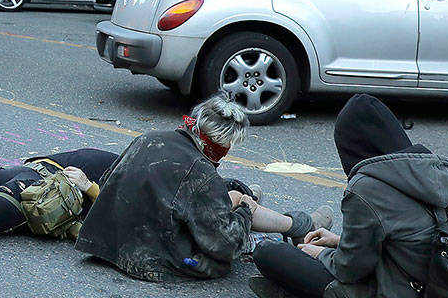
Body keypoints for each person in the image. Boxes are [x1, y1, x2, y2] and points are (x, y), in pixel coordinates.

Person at [249, 93, 448, 298]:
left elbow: (350, 270)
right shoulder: (438, 171)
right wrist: (338, 241)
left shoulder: (368, 186)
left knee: (268, 252)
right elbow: (414, 241)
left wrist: (322, 253)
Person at [76, 91, 332, 282]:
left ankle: (295, 222)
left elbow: (107, 183)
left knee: (232, 189)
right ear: (220, 144)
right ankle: (300, 225)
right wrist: (242, 208)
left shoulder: (150, 138)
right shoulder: (200, 172)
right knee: (240, 207)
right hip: (150, 259)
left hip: (105, 243)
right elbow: (223, 244)